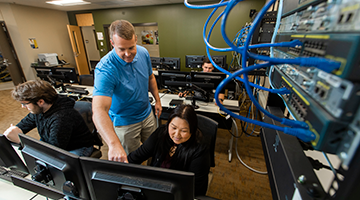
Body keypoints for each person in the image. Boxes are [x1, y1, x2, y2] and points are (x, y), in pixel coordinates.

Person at [92, 19, 162, 163]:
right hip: (125, 123)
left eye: (131, 47)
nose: (128, 54)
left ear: (136, 39)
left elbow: (150, 78)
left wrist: (158, 100)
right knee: (134, 161)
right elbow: (99, 110)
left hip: (147, 114)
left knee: (155, 150)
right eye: (121, 49)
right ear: (112, 43)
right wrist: (113, 144)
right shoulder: (105, 69)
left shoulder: (143, 53)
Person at [127, 104, 210, 196]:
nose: (177, 135)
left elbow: (196, 189)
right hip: (155, 186)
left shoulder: (200, 150)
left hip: (178, 193)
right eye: (173, 128)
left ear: (192, 130)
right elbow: (136, 156)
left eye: (184, 131)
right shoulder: (161, 133)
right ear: (168, 124)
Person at [3, 80, 95, 156]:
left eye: (24, 104)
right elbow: (23, 125)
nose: (23, 107)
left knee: (57, 169)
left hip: (77, 147)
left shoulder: (62, 117)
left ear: (40, 101)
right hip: (52, 143)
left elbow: (54, 151)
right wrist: (13, 132)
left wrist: (21, 141)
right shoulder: (39, 110)